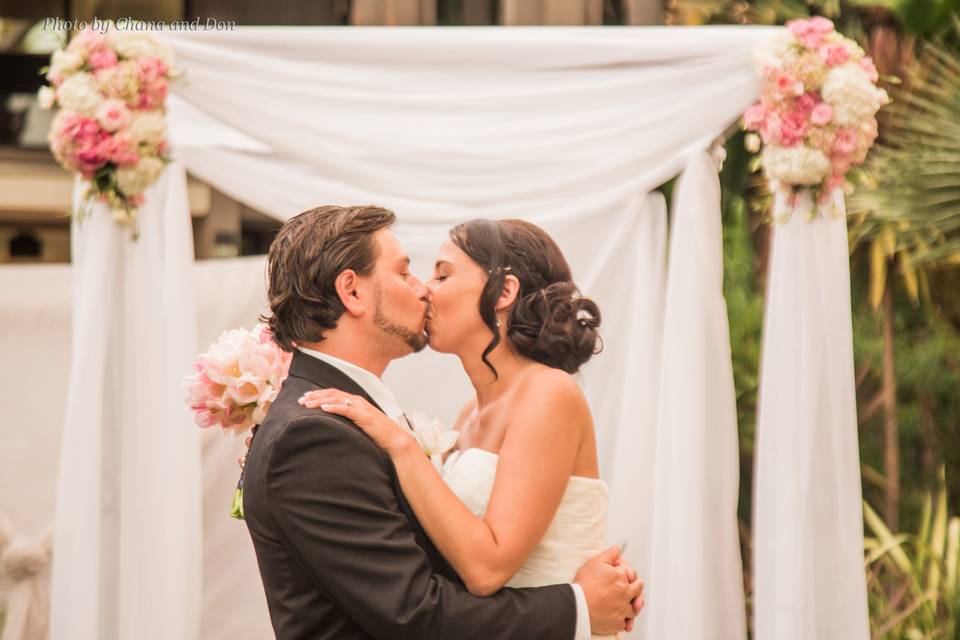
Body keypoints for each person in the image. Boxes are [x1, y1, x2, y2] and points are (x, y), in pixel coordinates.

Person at [242, 205, 643, 640]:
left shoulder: (546, 394)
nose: (424, 291)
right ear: (352, 292)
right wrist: (580, 606)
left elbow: (466, 563)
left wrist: (404, 447)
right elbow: (419, 608)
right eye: (408, 273)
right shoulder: (318, 433)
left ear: (504, 292)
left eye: (441, 274)